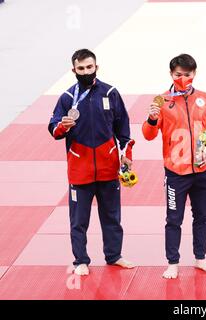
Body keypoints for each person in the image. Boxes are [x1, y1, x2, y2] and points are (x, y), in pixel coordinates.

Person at [48, 49, 135, 276]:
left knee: (112, 217)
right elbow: (53, 128)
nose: (86, 71)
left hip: (108, 168)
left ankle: (114, 255)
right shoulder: (67, 97)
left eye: (89, 67)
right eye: (81, 68)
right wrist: (63, 126)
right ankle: (81, 261)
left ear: (97, 67)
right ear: (74, 70)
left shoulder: (111, 93)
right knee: (79, 221)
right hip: (80, 170)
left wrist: (127, 155)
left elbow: (123, 129)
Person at [142, 54, 206, 279]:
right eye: (178, 75)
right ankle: (172, 262)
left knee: (202, 216)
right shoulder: (161, 101)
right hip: (176, 173)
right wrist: (152, 119)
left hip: (202, 170)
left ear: (194, 74)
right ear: (171, 75)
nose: (183, 78)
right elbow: (147, 135)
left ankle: (200, 258)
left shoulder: (205, 98)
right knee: (174, 219)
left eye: (187, 74)